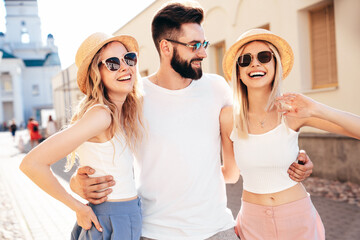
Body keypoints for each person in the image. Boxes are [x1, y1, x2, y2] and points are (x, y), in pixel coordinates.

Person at [70, 2, 314, 239]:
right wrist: (75, 183)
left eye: (204, 43)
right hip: (154, 232)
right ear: (166, 47)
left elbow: (255, 133)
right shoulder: (134, 98)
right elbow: (104, 152)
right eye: (194, 45)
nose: (204, 52)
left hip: (218, 229)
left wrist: (293, 155)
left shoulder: (217, 88)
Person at [220, 28, 360, 239]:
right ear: (238, 72)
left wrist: (317, 108)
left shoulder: (292, 110)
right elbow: (230, 174)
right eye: (245, 60)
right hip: (252, 223)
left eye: (264, 57)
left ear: (275, 65)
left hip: (298, 219)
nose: (255, 64)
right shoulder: (228, 117)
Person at [20, 32, 144, 239]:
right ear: (97, 73)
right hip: (110, 221)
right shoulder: (102, 115)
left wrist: (75, 183)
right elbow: (32, 163)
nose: (124, 67)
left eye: (128, 58)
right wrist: (78, 207)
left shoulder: (123, 111)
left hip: (127, 216)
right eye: (113, 63)